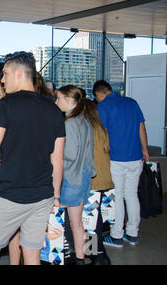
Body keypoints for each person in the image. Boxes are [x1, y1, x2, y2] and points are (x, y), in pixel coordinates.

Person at [0, 51, 65, 265]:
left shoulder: (5, 105)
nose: (2, 79)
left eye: (5, 73)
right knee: (32, 253)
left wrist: (1, 159)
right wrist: (55, 196)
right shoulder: (54, 110)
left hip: (11, 193)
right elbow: (57, 159)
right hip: (42, 195)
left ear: (19, 73)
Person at [93, 80, 149, 247]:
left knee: (118, 196)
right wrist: (145, 151)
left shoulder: (103, 106)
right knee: (131, 194)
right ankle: (132, 233)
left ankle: (117, 235)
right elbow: (141, 128)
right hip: (136, 157)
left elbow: (104, 133)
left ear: (98, 95)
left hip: (116, 158)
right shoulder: (132, 102)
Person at [55, 85, 96, 265]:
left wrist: (53, 154)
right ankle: (80, 258)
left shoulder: (69, 123)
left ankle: (71, 256)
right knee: (77, 223)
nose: (56, 102)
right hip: (83, 175)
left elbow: (69, 154)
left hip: (71, 178)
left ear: (70, 100)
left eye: (59, 98)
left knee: (66, 222)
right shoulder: (84, 120)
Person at [83, 99, 113, 265]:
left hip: (94, 180)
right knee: (95, 219)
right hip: (105, 178)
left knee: (91, 222)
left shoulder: (87, 128)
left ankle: (99, 256)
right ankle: (95, 254)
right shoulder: (100, 127)